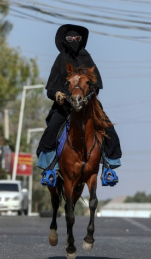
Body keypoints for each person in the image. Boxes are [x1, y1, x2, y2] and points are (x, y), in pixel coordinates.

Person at [36, 24, 122, 186]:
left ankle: (109, 167)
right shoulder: (60, 59)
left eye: (77, 39)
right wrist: (57, 95)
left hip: (88, 105)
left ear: (82, 40)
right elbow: (50, 88)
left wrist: (87, 97)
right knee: (52, 129)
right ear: (64, 40)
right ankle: (49, 169)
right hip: (64, 107)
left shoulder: (87, 58)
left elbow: (96, 86)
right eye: (70, 39)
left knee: (108, 128)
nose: (74, 41)